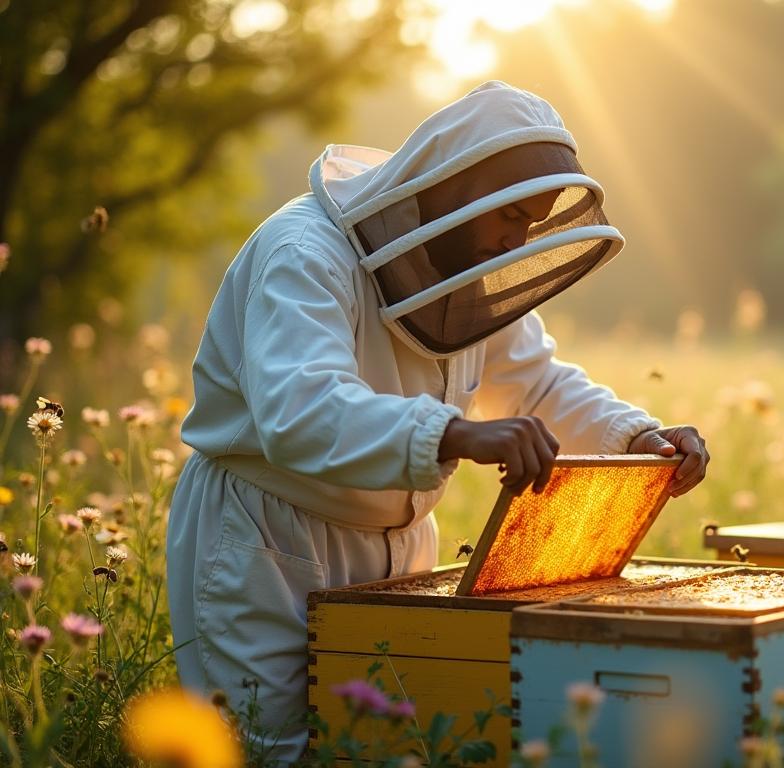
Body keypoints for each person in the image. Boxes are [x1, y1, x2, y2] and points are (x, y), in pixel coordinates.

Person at [166, 80, 709, 763]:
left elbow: (534, 384)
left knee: (385, 748)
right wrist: (455, 433)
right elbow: (299, 408)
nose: (518, 236)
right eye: (509, 214)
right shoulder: (302, 253)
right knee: (272, 753)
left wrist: (638, 437)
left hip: (398, 549)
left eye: (531, 222)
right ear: (453, 187)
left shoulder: (467, 265)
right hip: (269, 540)